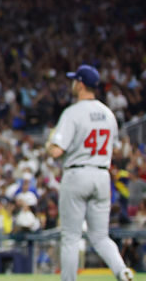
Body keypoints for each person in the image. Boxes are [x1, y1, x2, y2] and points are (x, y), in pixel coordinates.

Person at [48, 64, 134, 281]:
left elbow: (56, 151)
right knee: (100, 236)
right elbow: (115, 149)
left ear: (80, 84)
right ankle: (121, 271)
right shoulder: (108, 113)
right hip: (102, 174)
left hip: (77, 173)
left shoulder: (73, 112)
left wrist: (49, 142)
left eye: (74, 80)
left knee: (70, 237)